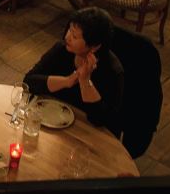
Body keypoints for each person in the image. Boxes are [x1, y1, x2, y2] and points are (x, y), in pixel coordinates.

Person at [24, 7, 123, 135]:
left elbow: (101, 120)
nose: (67, 37)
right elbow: (29, 82)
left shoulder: (112, 71)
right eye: (69, 30)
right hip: (53, 120)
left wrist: (85, 81)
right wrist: (66, 81)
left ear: (94, 46)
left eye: (75, 36)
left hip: (87, 133)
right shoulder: (62, 50)